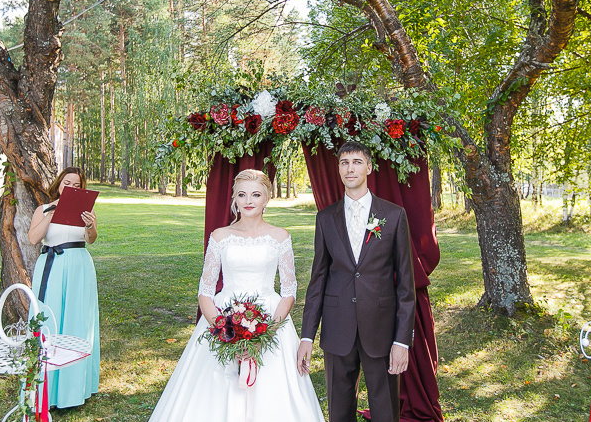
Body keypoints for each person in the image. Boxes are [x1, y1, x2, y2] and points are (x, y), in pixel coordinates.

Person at [149, 169, 325, 422]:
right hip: (224, 316)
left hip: (270, 319)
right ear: (234, 199)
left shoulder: (280, 236)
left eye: (256, 194)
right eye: (242, 194)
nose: (249, 200)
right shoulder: (220, 237)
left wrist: (266, 333)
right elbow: (205, 292)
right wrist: (225, 330)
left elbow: (289, 292)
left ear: (267, 199)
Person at [297, 141, 416, 422]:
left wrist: (402, 341)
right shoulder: (325, 219)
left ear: (369, 167)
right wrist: (306, 335)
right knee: (339, 410)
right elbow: (318, 279)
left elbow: (406, 286)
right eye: (344, 162)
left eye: (357, 162)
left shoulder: (393, 215)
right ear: (338, 169)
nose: (350, 168)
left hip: (381, 329)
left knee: (385, 409)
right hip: (338, 329)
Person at [28, 166, 100, 409]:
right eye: (67, 183)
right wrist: (52, 213)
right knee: (51, 320)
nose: (71, 187)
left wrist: (90, 226)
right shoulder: (43, 209)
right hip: (53, 267)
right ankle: (44, 388)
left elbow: (91, 239)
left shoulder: (86, 210)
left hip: (79, 267)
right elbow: (32, 239)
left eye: (76, 185)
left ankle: (74, 389)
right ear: (59, 185)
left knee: (77, 321)